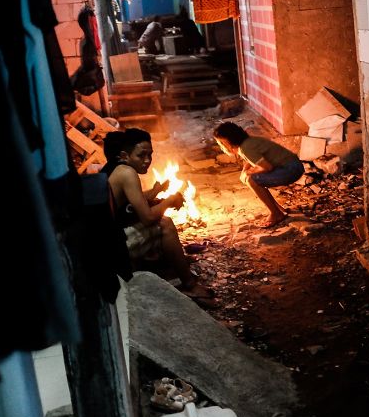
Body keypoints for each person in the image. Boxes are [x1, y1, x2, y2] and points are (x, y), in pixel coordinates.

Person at [102, 128, 216, 307]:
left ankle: (170, 267)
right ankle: (189, 285)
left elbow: (133, 199)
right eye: (141, 155)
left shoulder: (115, 168)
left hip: (109, 238)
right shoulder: (127, 173)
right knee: (165, 223)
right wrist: (169, 201)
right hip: (113, 246)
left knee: (158, 216)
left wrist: (155, 192)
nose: (147, 161)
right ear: (125, 155)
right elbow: (147, 218)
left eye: (150, 155)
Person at [213, 122, 304, 228]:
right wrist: (245, 171)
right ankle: (277, 208)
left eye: (222, 143)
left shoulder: (246, 148)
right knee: (251, 178)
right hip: (292, 166)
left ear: (231, 140)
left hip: (291, 170)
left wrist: (248, 173)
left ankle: (276, 214)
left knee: (252, 180)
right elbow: (252, 160)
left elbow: (267, 167)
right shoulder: (247, 143)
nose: (222, 147)